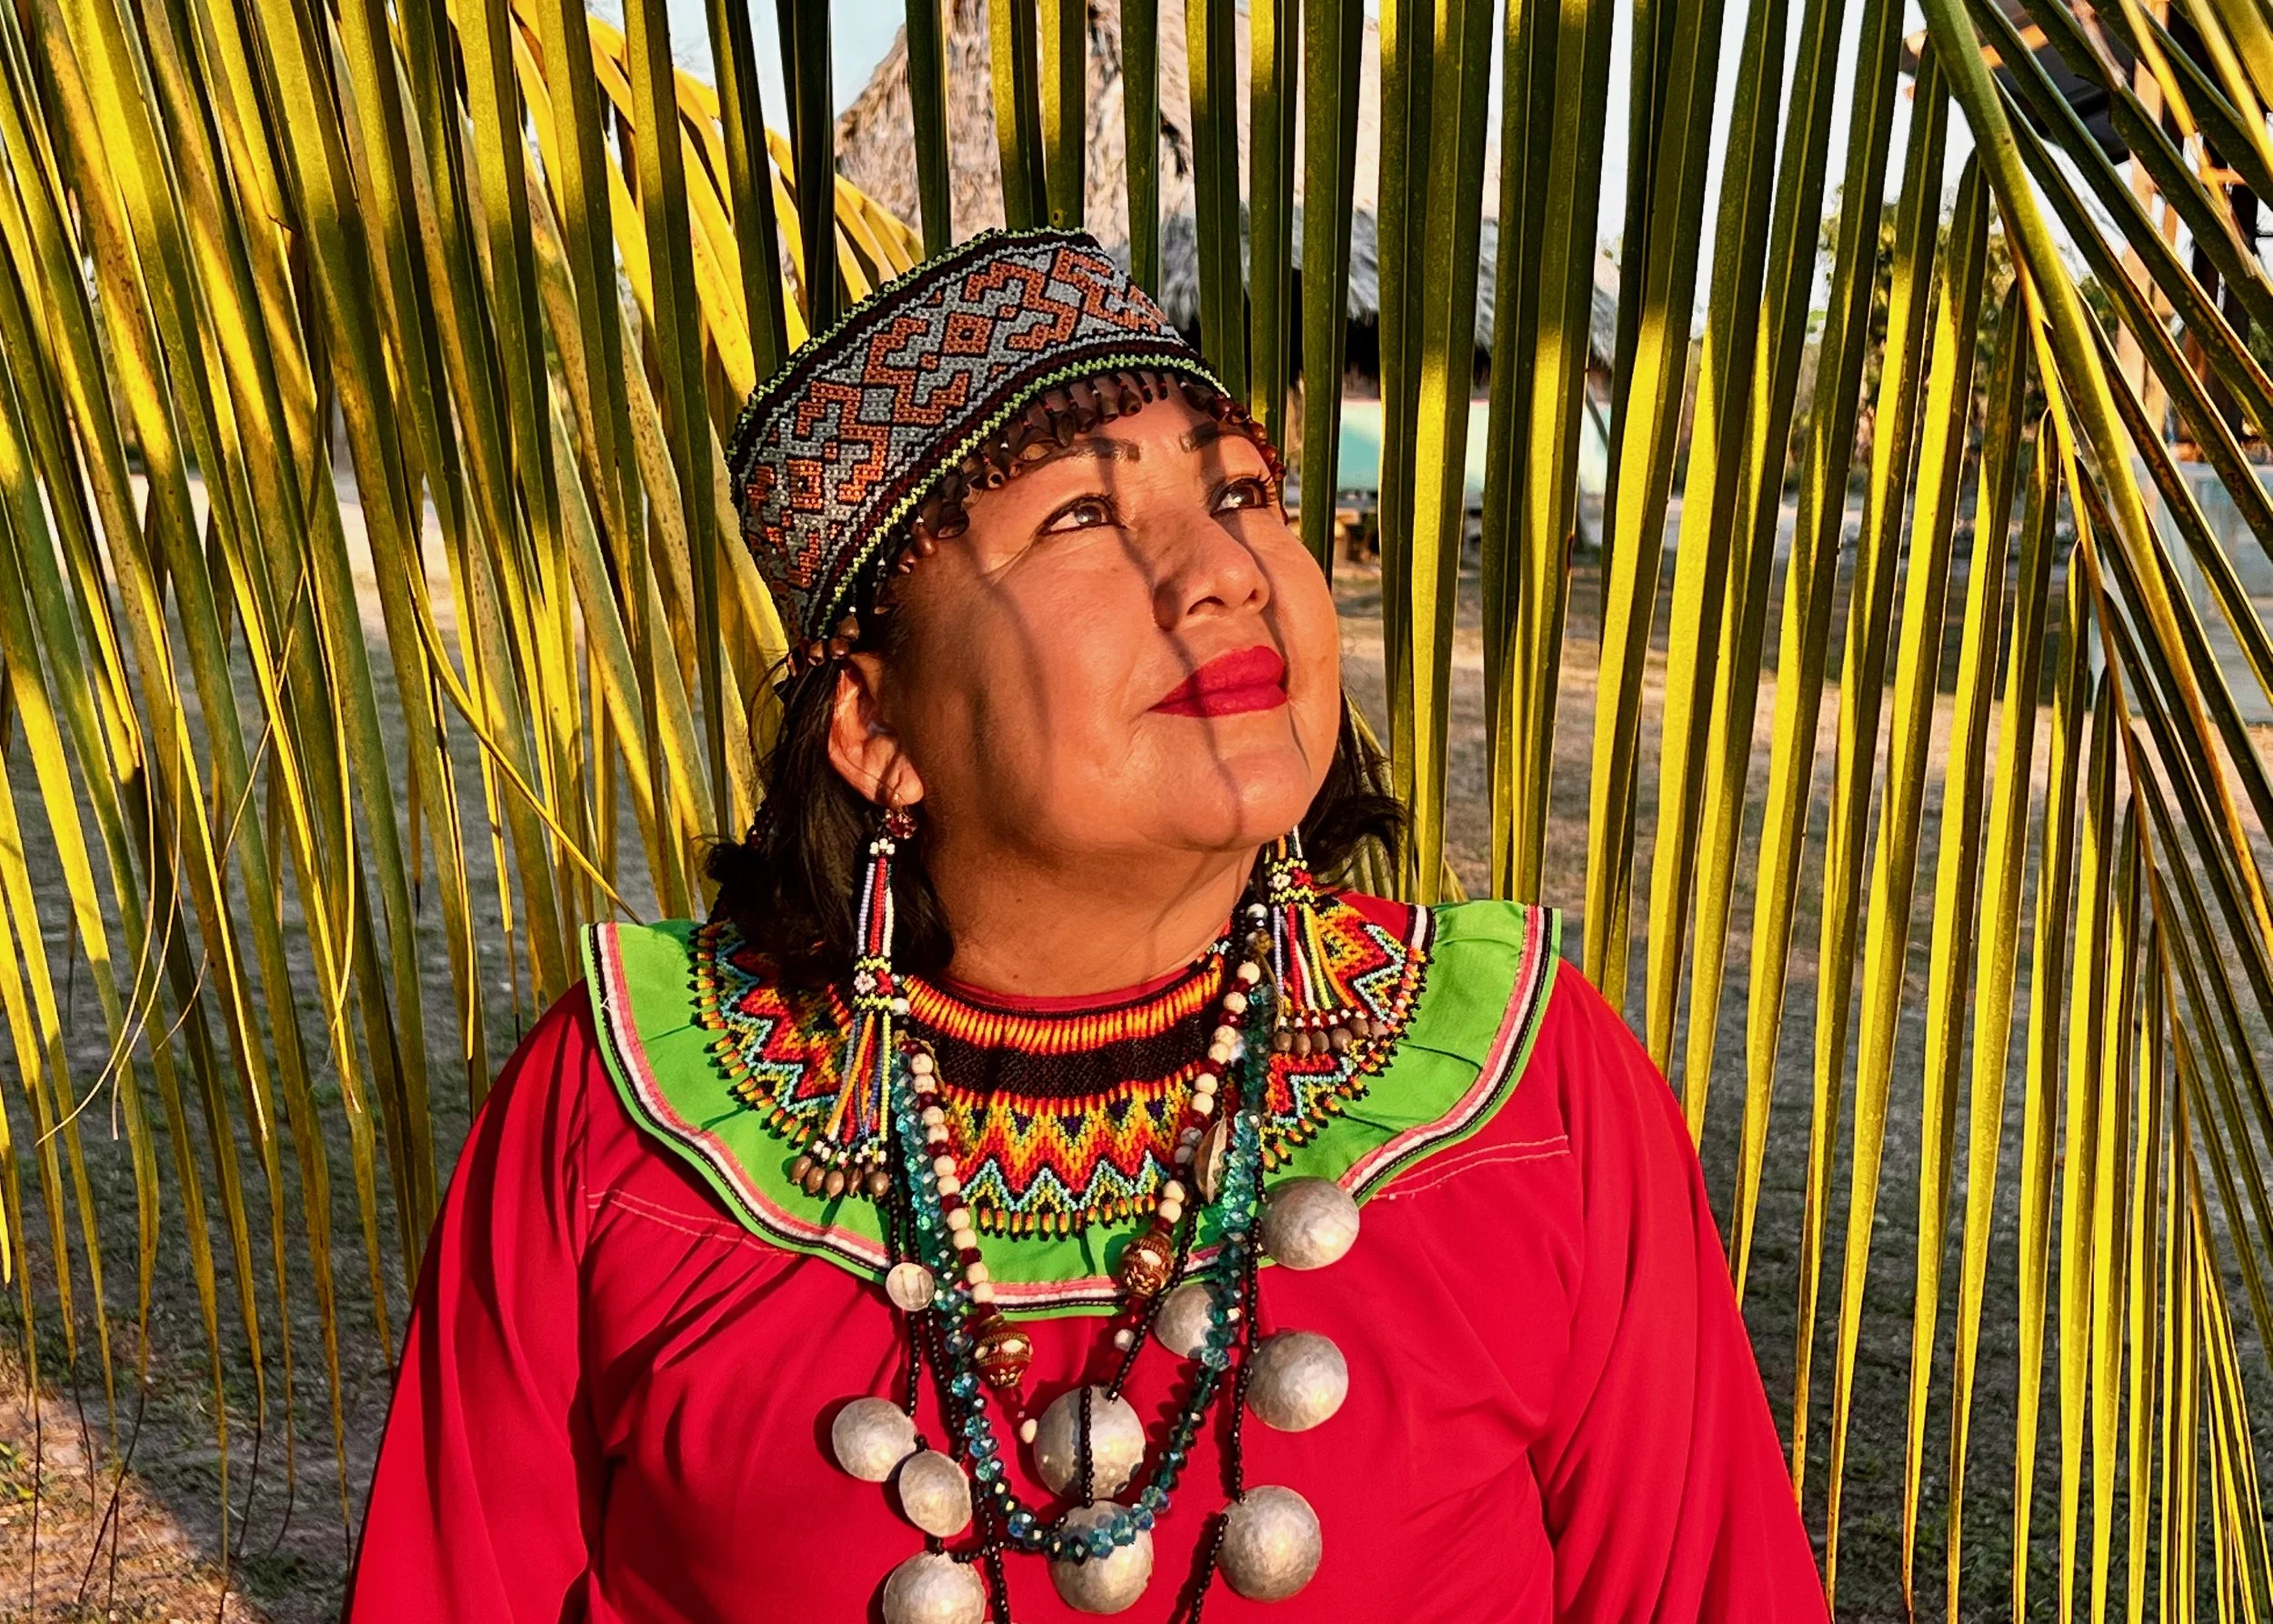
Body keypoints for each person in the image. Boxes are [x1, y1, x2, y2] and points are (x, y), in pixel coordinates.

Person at [343, 228, 1826, 1622]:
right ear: (871, 721)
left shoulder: (1528, 1091)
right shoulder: (619, 1123)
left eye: (1242, 495)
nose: (1230, 571)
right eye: (1085, 518)